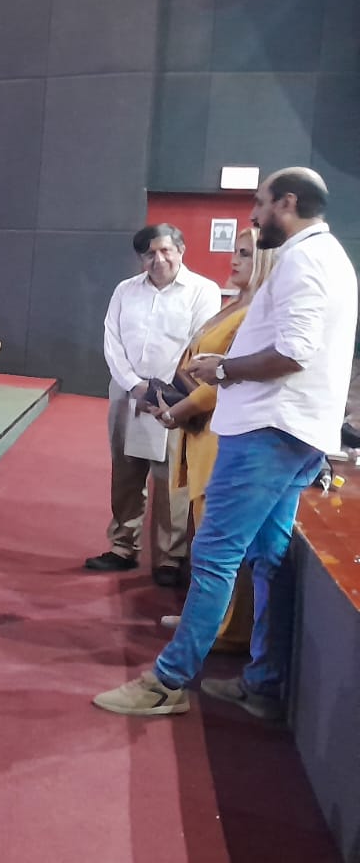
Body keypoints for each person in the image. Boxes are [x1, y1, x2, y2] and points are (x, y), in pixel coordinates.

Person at [94, 168, 356, 720]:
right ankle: (263, 682)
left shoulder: (304, 260)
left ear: (287, 202)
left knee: (214, 555)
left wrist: (224, 369)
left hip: (268, 431)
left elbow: (295, 352)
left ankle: (168, 682)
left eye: (260, 203)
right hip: (290, 431)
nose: (254, 215)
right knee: (268, 557)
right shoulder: (326, 256)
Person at [145, 229, 277, 649]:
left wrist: (178, 410)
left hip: (222, 432)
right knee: (205, 538)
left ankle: (228, 629)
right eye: (236, 251)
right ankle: (207, 618)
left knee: (220, 543)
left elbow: (226, 380)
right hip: (200, 431)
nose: (234, 259)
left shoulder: (258, 314)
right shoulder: (235, 304)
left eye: (245, 253)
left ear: (267, 260)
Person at [85, 223, 218, 583]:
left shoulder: (203, 291)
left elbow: (197, 346)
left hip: (176, 396)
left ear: (181, 250)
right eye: (149, 254)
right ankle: (122, 547)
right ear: (140, 258)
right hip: (127, 391)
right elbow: (112, 339)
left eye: (165, 250)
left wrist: (159, 392)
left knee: (171, 478)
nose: (158, 259)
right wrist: (134, 385)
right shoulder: (125, 290)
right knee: (125, 471)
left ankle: (169, 558)